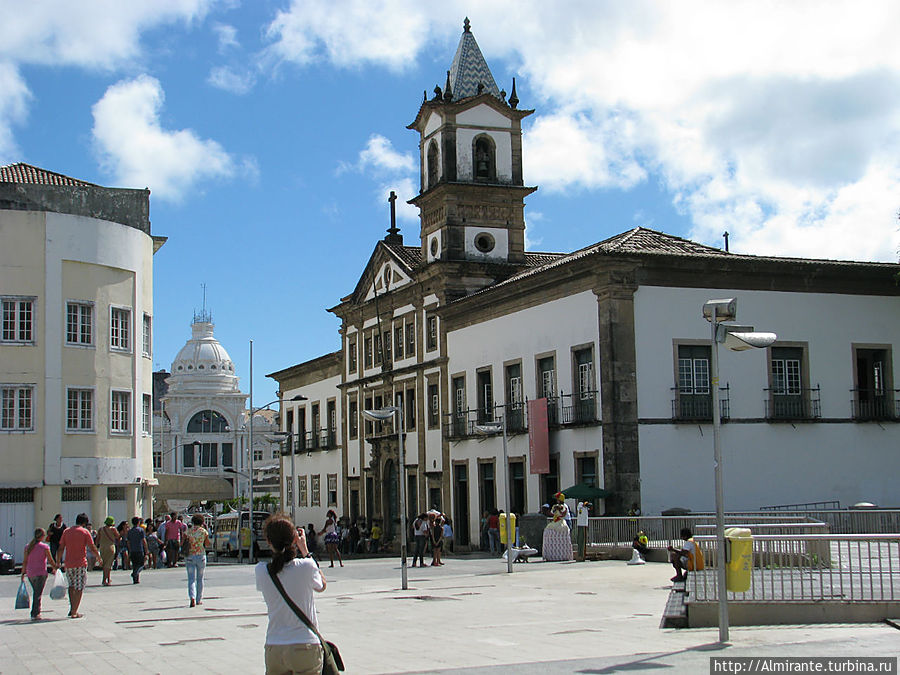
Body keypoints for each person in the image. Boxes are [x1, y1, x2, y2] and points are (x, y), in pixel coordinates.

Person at [256, 514, 327, 675]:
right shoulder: (306, 566)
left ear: (268, 541)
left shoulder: (261, 571)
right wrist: (305, 551)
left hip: (275, 646)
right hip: (305, 645)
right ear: (295, 539)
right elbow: (322, 585)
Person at [56, 512, 102, 619]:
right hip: (80, 563)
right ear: (85, 523)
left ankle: (72, 608)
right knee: (79, 587)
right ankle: (74, 611)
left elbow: (61, 547)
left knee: (71, 586)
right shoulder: (85, 532)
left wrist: (58, 561)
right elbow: (92, 547)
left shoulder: (66, 531)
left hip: (68, 563)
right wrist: (98, 558)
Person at [21, 528, 57, 620]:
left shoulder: (28, 547)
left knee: (36, 592)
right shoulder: (44, 547)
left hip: (31, 573)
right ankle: (35, 613)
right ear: (41, 536)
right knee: (38, 593)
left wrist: (23, 573)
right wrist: (55, 567)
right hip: (41, 573)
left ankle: (35, 612)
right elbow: (50, 560)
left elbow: (25, 561)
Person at [185, 514, 211, 607]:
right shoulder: (204, 531)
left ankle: (192, 597)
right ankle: (198, 599)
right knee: (200, 578)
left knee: (191, 579)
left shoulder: (188, 531)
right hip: (201, 556)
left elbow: (183, 542)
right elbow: (207, 544)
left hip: (190, 556)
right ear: (202, 522)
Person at [542, 492, 574, 561]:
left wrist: (559, 509)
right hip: (556, 521)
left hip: (564, 521)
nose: (557, 500)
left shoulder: (564, 506)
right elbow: (552, 513)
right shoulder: (555, 506)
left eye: (558, 499)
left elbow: (563, 514)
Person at [97, 516, 120, 586]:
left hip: (102, 547)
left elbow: (97, 539)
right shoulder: (113, 529)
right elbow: (118, 537)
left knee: (105, 564)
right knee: (108, 565)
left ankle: (107, 579)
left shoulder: (100, 529)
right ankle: (105, 580)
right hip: (110, 547)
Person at [127, 517, 148, 584]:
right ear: (138, 522)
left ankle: (136, 579)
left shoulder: (130, 531)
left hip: (133, 550)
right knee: (141, 564)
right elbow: (143, 541)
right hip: (139, 549)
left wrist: (129, 550)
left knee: (135, 564)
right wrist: (146, 550)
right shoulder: (140, 530)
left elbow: (128, 542)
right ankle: (135, 573)